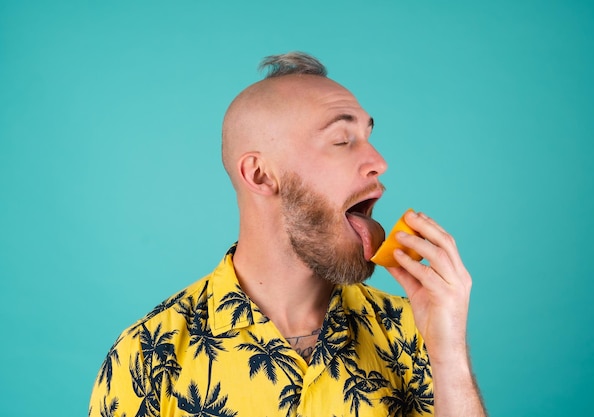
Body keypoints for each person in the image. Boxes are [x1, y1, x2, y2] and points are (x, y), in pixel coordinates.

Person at [88, 52, 487, 417]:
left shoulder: (413, 331)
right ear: (260, 175)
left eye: (368, 136)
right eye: (342, 140)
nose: (378, 162)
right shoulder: (148, 355)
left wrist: (450, 353)